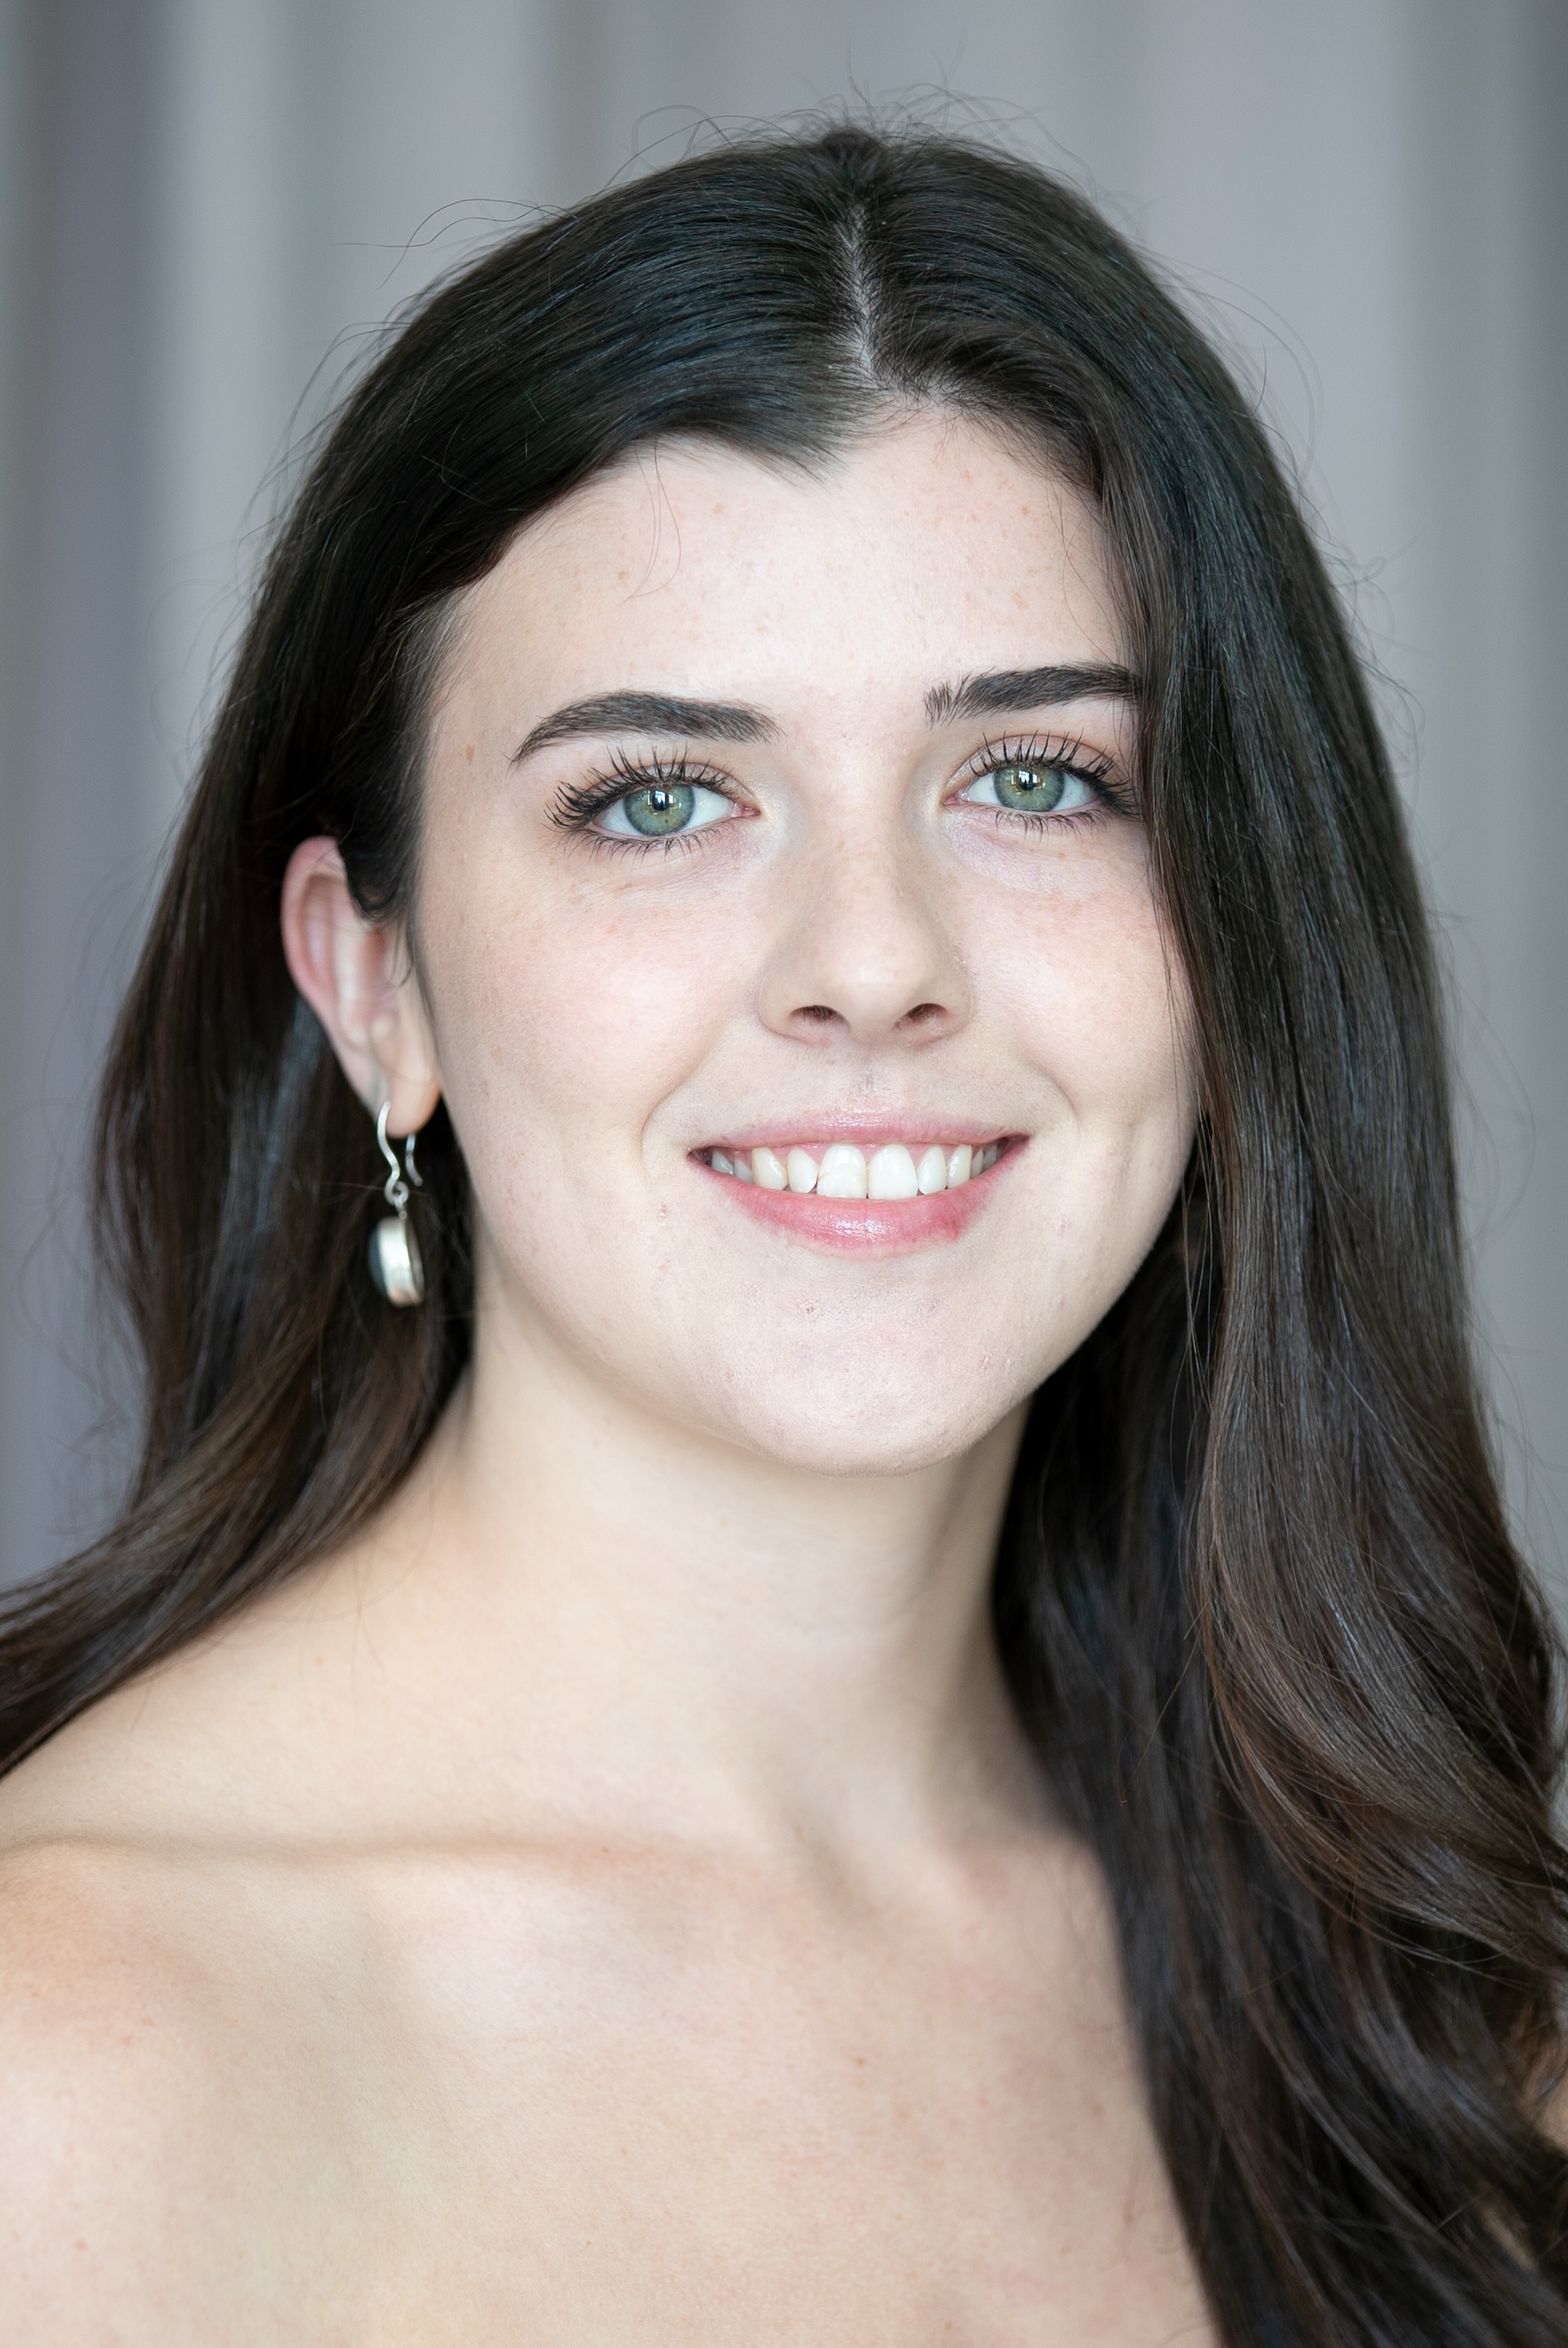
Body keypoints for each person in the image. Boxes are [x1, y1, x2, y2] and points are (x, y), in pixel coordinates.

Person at [0, 122, 1562, 2345]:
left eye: (1036, 778)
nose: (868, 960)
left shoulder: (1435, 2012)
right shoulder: (58, 2049)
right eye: (660, 798)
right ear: (377, 984)